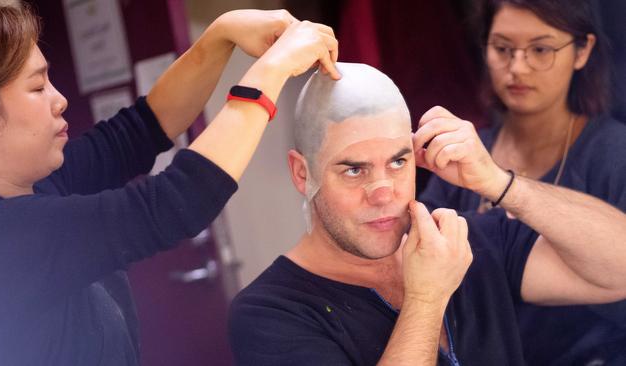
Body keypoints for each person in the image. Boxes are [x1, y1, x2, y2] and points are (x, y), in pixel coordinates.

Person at [0, 1, 340, 365]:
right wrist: (271, 72)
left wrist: (222, 34)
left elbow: (146, 125)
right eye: (38, 87)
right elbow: (175, 200)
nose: (60, 100)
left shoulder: (41, 183)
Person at [228, 62, 626, 365]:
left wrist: (500, 183)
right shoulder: (268, 313)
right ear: (303, 173)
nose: (383, 192)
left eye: (398, 162)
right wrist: (426, 298)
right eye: (354, 169)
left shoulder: (462, 242)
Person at [419, 0, 626, 364]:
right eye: (502, 49)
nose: (517, 67)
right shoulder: (460, 154)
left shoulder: (614, 155)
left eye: (541, 49)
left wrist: (503, 185)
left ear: (583, 50)